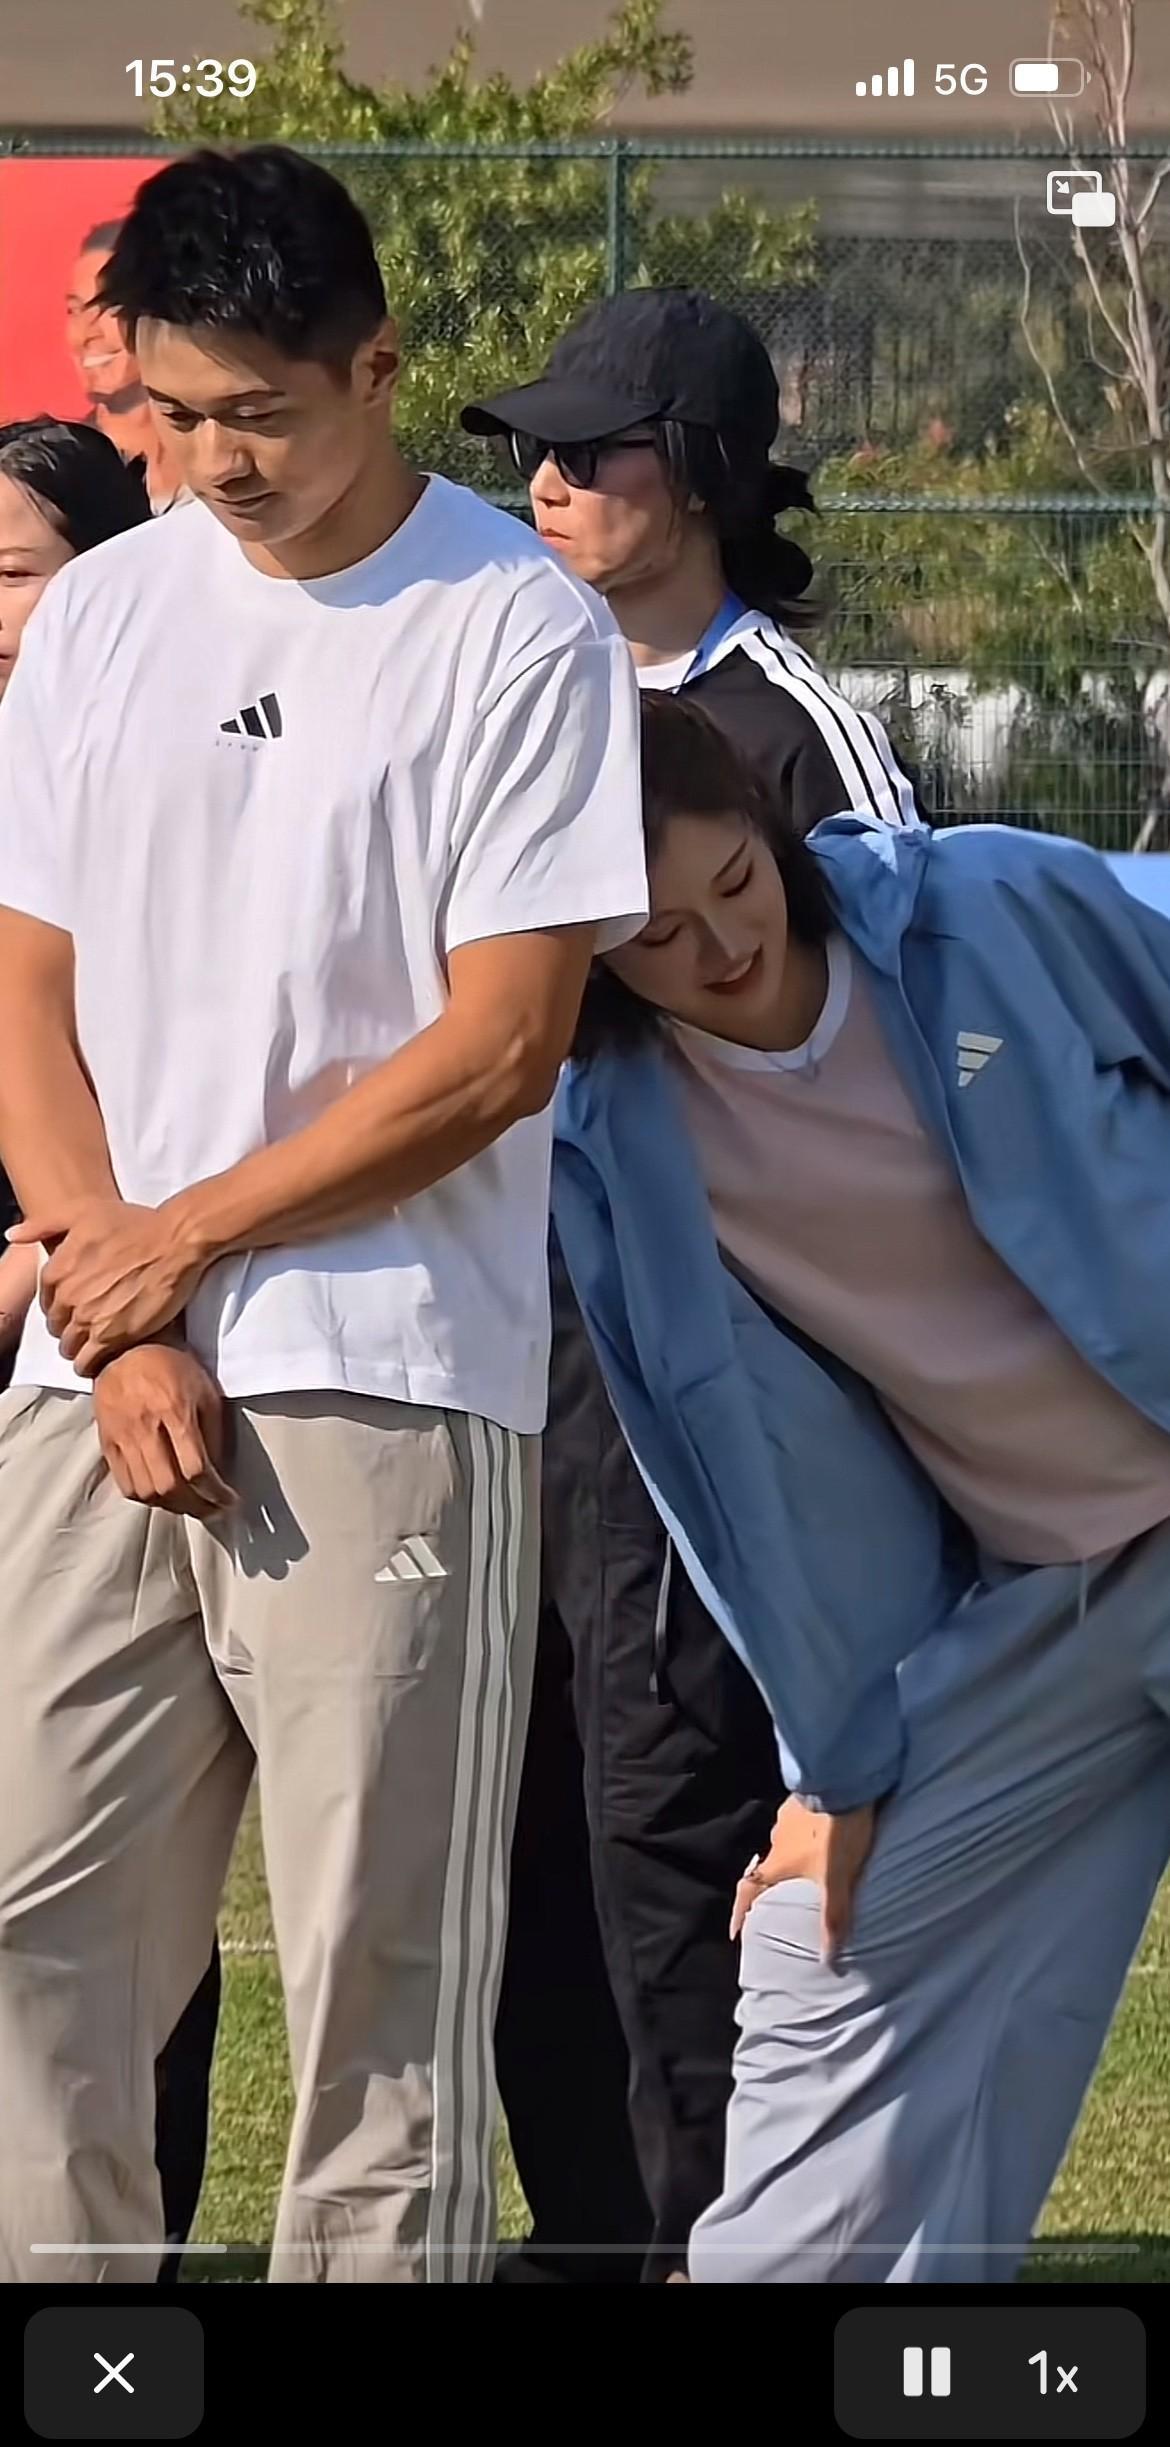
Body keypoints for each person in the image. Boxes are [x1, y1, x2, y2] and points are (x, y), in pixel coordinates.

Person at [0, 145, 646, 2287]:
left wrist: (181, 1243)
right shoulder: (106, 611)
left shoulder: (519, 628)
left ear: (376, 366)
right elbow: (25, 993)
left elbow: (503, 1048)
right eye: (175, 412)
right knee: (28, 1931)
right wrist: (123, 1302)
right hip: (92, 1383)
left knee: (384, 1991)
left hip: (389, 1381)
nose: (215, 460)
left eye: (260, 413)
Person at [553, 691, 1170, 2284]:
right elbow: (721, 1478)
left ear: (770, 836)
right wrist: (833, 1763)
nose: (721, 947)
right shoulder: (608, 1140)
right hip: (1046, 1597)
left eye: (735, 883)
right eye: (657, 936)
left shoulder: (980, 906)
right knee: (818, 1947)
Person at [462, 288, 919, 2282]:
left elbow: (893, 1072)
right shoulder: (510, 695)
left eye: (597, 448)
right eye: (534, 451)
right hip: (504, 1367)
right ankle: (590, 2240)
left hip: (701, 1397)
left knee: (672, 1856)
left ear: (711, 475)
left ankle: (720, 2253)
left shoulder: (794, 732)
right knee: (514, 1848)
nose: (549, 481)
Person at [0, 415, 219, 2278]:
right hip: (75, 1357)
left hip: (131, 1344)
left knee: (140, 1894)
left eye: (13, 572)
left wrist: (61, 1272)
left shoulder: (178, 756)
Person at [65, 221, 185, 512]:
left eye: (109, 307)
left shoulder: (216, 456)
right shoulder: (60, 474)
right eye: (75, 310)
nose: (85, 333)